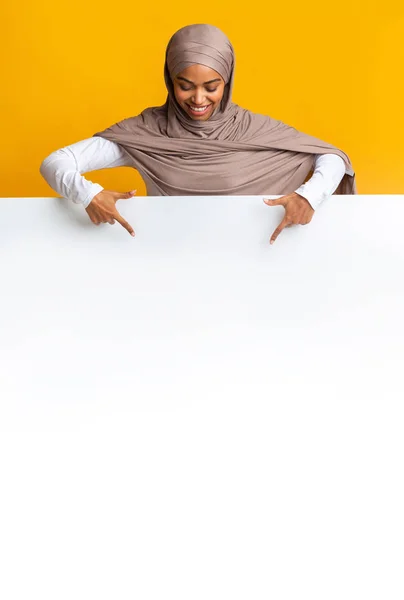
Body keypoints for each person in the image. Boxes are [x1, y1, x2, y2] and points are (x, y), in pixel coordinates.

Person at [40, 23, 356, 244]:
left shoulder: (252, 128)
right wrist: (88, 194)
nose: (199, 99)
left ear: (227, 82)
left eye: (211, 87)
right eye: (185, 86)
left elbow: (331, 158)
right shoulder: (148, 133)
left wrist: (308, 197)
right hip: (172, 263)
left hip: (256, 264)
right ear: (169, 80)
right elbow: (56, 161)